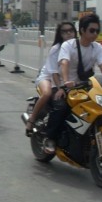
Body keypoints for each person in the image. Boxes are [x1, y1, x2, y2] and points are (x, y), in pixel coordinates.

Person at [25, 21, 75, 150]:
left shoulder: (77, 48)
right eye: (65, 31)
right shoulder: (56, 48)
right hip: (48, 77)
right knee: (47, 94)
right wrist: (60, 88)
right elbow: (53, 72)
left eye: (71, 30)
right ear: (60, 34)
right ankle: (32, 119)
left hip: (65, 81)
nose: (69, 33)